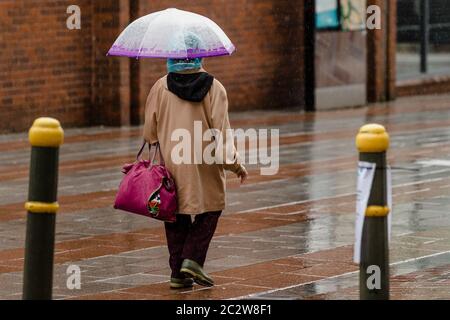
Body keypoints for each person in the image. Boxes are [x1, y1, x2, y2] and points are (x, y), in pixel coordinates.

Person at [143, 56, 248, 289]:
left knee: (174, 214)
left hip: (173, 163)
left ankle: (178, 274)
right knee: (211, 208)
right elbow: (221, 134)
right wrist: (235, 165)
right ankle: (192, 259)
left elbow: (149, 133)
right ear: (199, 56)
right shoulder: (215, 88)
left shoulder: (160, 87)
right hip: (206, 162)